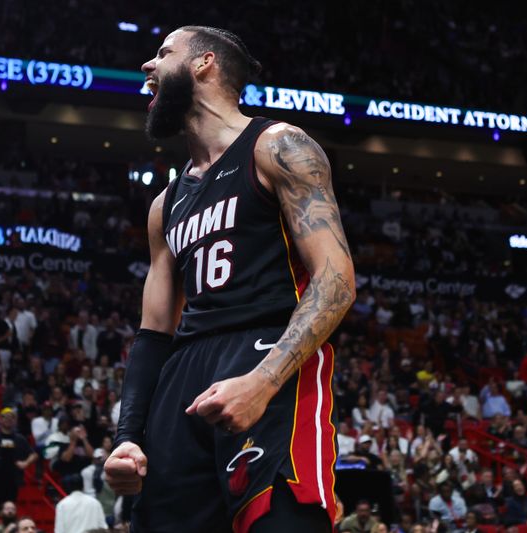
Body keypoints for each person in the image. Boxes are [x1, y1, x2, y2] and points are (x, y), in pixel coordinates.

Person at [105, 26, 354, 533]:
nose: (147, 67)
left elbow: (337, 282)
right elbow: (153, 333)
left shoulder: (279, 146)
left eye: (162, 54)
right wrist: (128, 435)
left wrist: (263, 381)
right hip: (182, 377)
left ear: (204, 64)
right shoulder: (166, 204)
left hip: (266, 350)